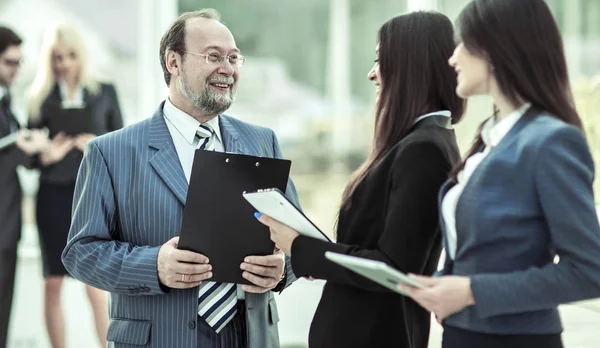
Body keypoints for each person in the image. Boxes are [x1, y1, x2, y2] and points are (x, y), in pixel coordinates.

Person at [62, 9, 299, 348]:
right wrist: (153, 266)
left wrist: (282, 269)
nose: (228, 69)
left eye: (234, 58)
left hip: (248, 337)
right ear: (173, 62)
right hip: (158, 338)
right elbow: (81, 253)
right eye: (213, 56)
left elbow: (298, 240)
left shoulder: (263, 142)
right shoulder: (110, 152)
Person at [398, 1, 600, 348]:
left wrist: (471, 291)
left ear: (493, 49)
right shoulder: (490, 136)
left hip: (516, 340)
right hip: (462, 335)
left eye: (462, 44)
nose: (452, 58)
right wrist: (443, 285)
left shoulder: (550, 141)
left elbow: (588, 272)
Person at [257, 11, 464, 348]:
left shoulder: (423, 149)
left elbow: (393, 268)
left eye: (381, 60)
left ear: (409, 65)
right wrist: (317, 254)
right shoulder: (423, 141)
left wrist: (300, 246)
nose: (371, 73)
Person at [26, 22, 123, 348]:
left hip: (91, 195)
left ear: (80, 55)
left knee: (95, 284)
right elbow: (31, 155)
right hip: (52, 195)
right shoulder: (39, 98)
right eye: (56, 57)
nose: (63, 63)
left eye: (69, 56)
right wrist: (46, 156)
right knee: (52, 282)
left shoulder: (105, 93)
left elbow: (122, 146)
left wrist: (96, 144)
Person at [0, 26, 48, 348]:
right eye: (9, 62)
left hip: (8, 226)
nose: (16, 69)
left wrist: (43, 152)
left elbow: (18, 156)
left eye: (19, 62)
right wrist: (20, 145)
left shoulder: (7, 102)